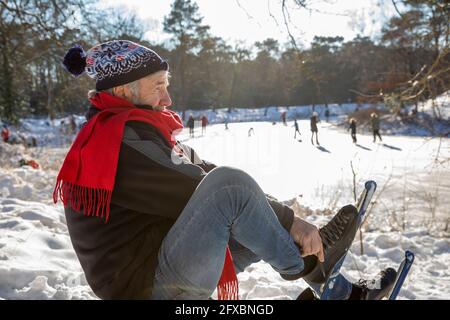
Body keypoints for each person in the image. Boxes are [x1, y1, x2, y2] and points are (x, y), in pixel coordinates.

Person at [54, 40, 396, 301]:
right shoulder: (120, 143)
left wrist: (284, 218)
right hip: (148, 287)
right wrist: (292, 221)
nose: (168, 98)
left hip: (157, 264)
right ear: (121, 90)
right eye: (157, 85)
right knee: (230, 186)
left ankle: (333, 287)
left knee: (248, 215)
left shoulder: (130, 131)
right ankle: (314, 267)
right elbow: (213, 188)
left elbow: (201, 169)